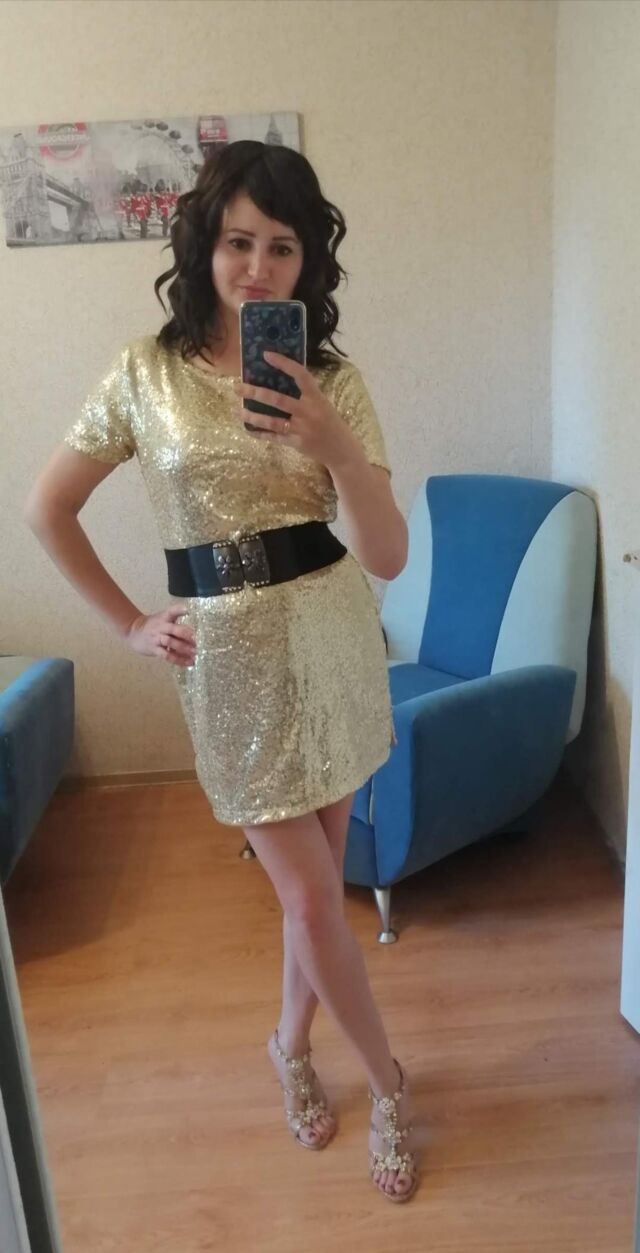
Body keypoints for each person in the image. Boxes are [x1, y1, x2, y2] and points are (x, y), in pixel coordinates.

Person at [23, 141, 420, 1204]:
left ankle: (291, 1044)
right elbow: (47, 509)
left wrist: (334, 443)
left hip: (332, 633)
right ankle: (389, 1081)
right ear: (204, 246)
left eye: (282, 247)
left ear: (307, 263)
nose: (257, 266)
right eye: (239, 241)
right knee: (310, 896)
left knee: (311, 896)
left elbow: (387, 556)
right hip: (227, 660)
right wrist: (126, 624)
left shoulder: (333, 381)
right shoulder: (142, 373)